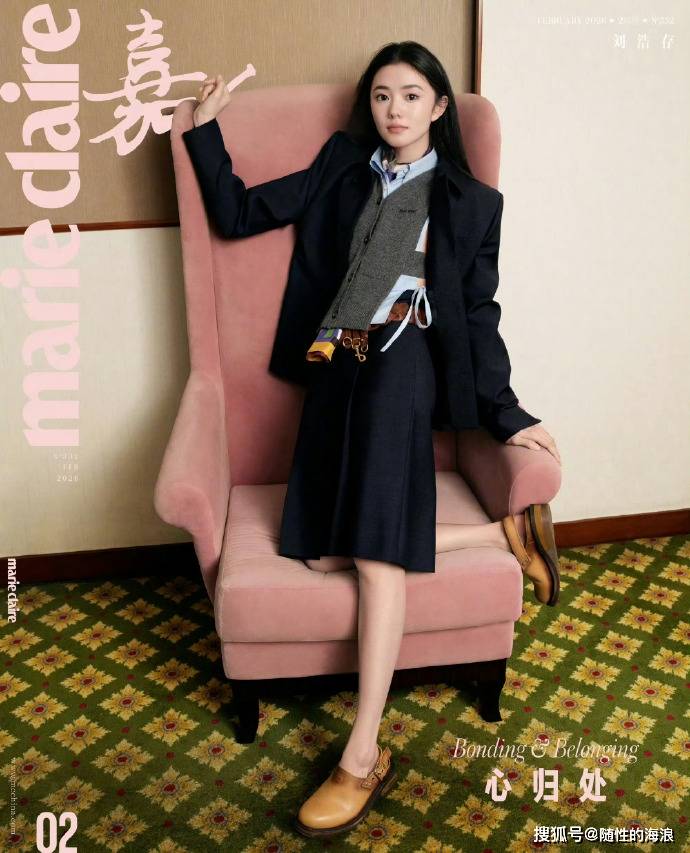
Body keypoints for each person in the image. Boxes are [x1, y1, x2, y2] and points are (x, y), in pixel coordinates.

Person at [187, 41, 562, 839]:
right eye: (383, 95)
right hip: (341, 358)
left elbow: (479, 315)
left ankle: (362, 753)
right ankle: (502, 533)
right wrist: (204, 130)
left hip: (403, 364)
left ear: (438, 107)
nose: (395, 108)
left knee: (374, 557)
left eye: (412, 94)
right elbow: (240, 213)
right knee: (326, 552)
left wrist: (507, 414)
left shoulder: (469, 201)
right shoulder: (342, 166)